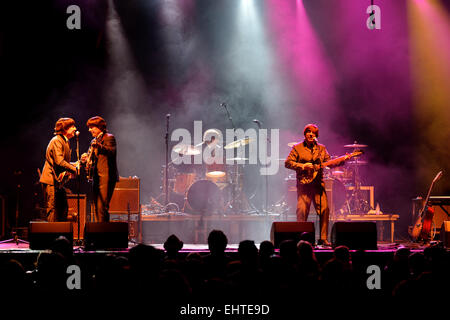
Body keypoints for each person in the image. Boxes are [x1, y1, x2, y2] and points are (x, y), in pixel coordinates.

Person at [285, 124, 349, 246]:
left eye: (313, 133)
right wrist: (302, 166)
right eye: (308, 132)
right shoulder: (297, 148)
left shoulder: (321, 148)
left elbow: (329, 163)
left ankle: (323, 238)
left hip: (318, 185)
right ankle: (301, 239)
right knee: (302, 211)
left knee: (325, 210)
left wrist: (343, 159)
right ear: (305, 134)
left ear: (316, 136)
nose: (311, 134)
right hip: (304, 186)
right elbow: (288, 163)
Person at [40, 118, 79, 222]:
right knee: (51, 209)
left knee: (63, 209)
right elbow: (59, 161)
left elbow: (63, 163)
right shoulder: (57, 140)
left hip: (58, 182)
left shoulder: (65, 141)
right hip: (51, 180)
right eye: (72, 127)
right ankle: (51, 235)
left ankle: (61, 234)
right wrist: (74, 169)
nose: (75, 129)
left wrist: (77, 164)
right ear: (65, 129)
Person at [82, 116, 118, 222]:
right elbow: (92, 157)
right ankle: (100, 231)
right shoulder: (94, 140)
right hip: (96, 177)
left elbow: (111, 151)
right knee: (97, 208)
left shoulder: (109, 137)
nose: (89, 130)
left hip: (106, 177)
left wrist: (99, 146)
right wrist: (86, 157)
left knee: (102, 207)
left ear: (99, 127)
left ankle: (103, 234)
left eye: (91, 127)